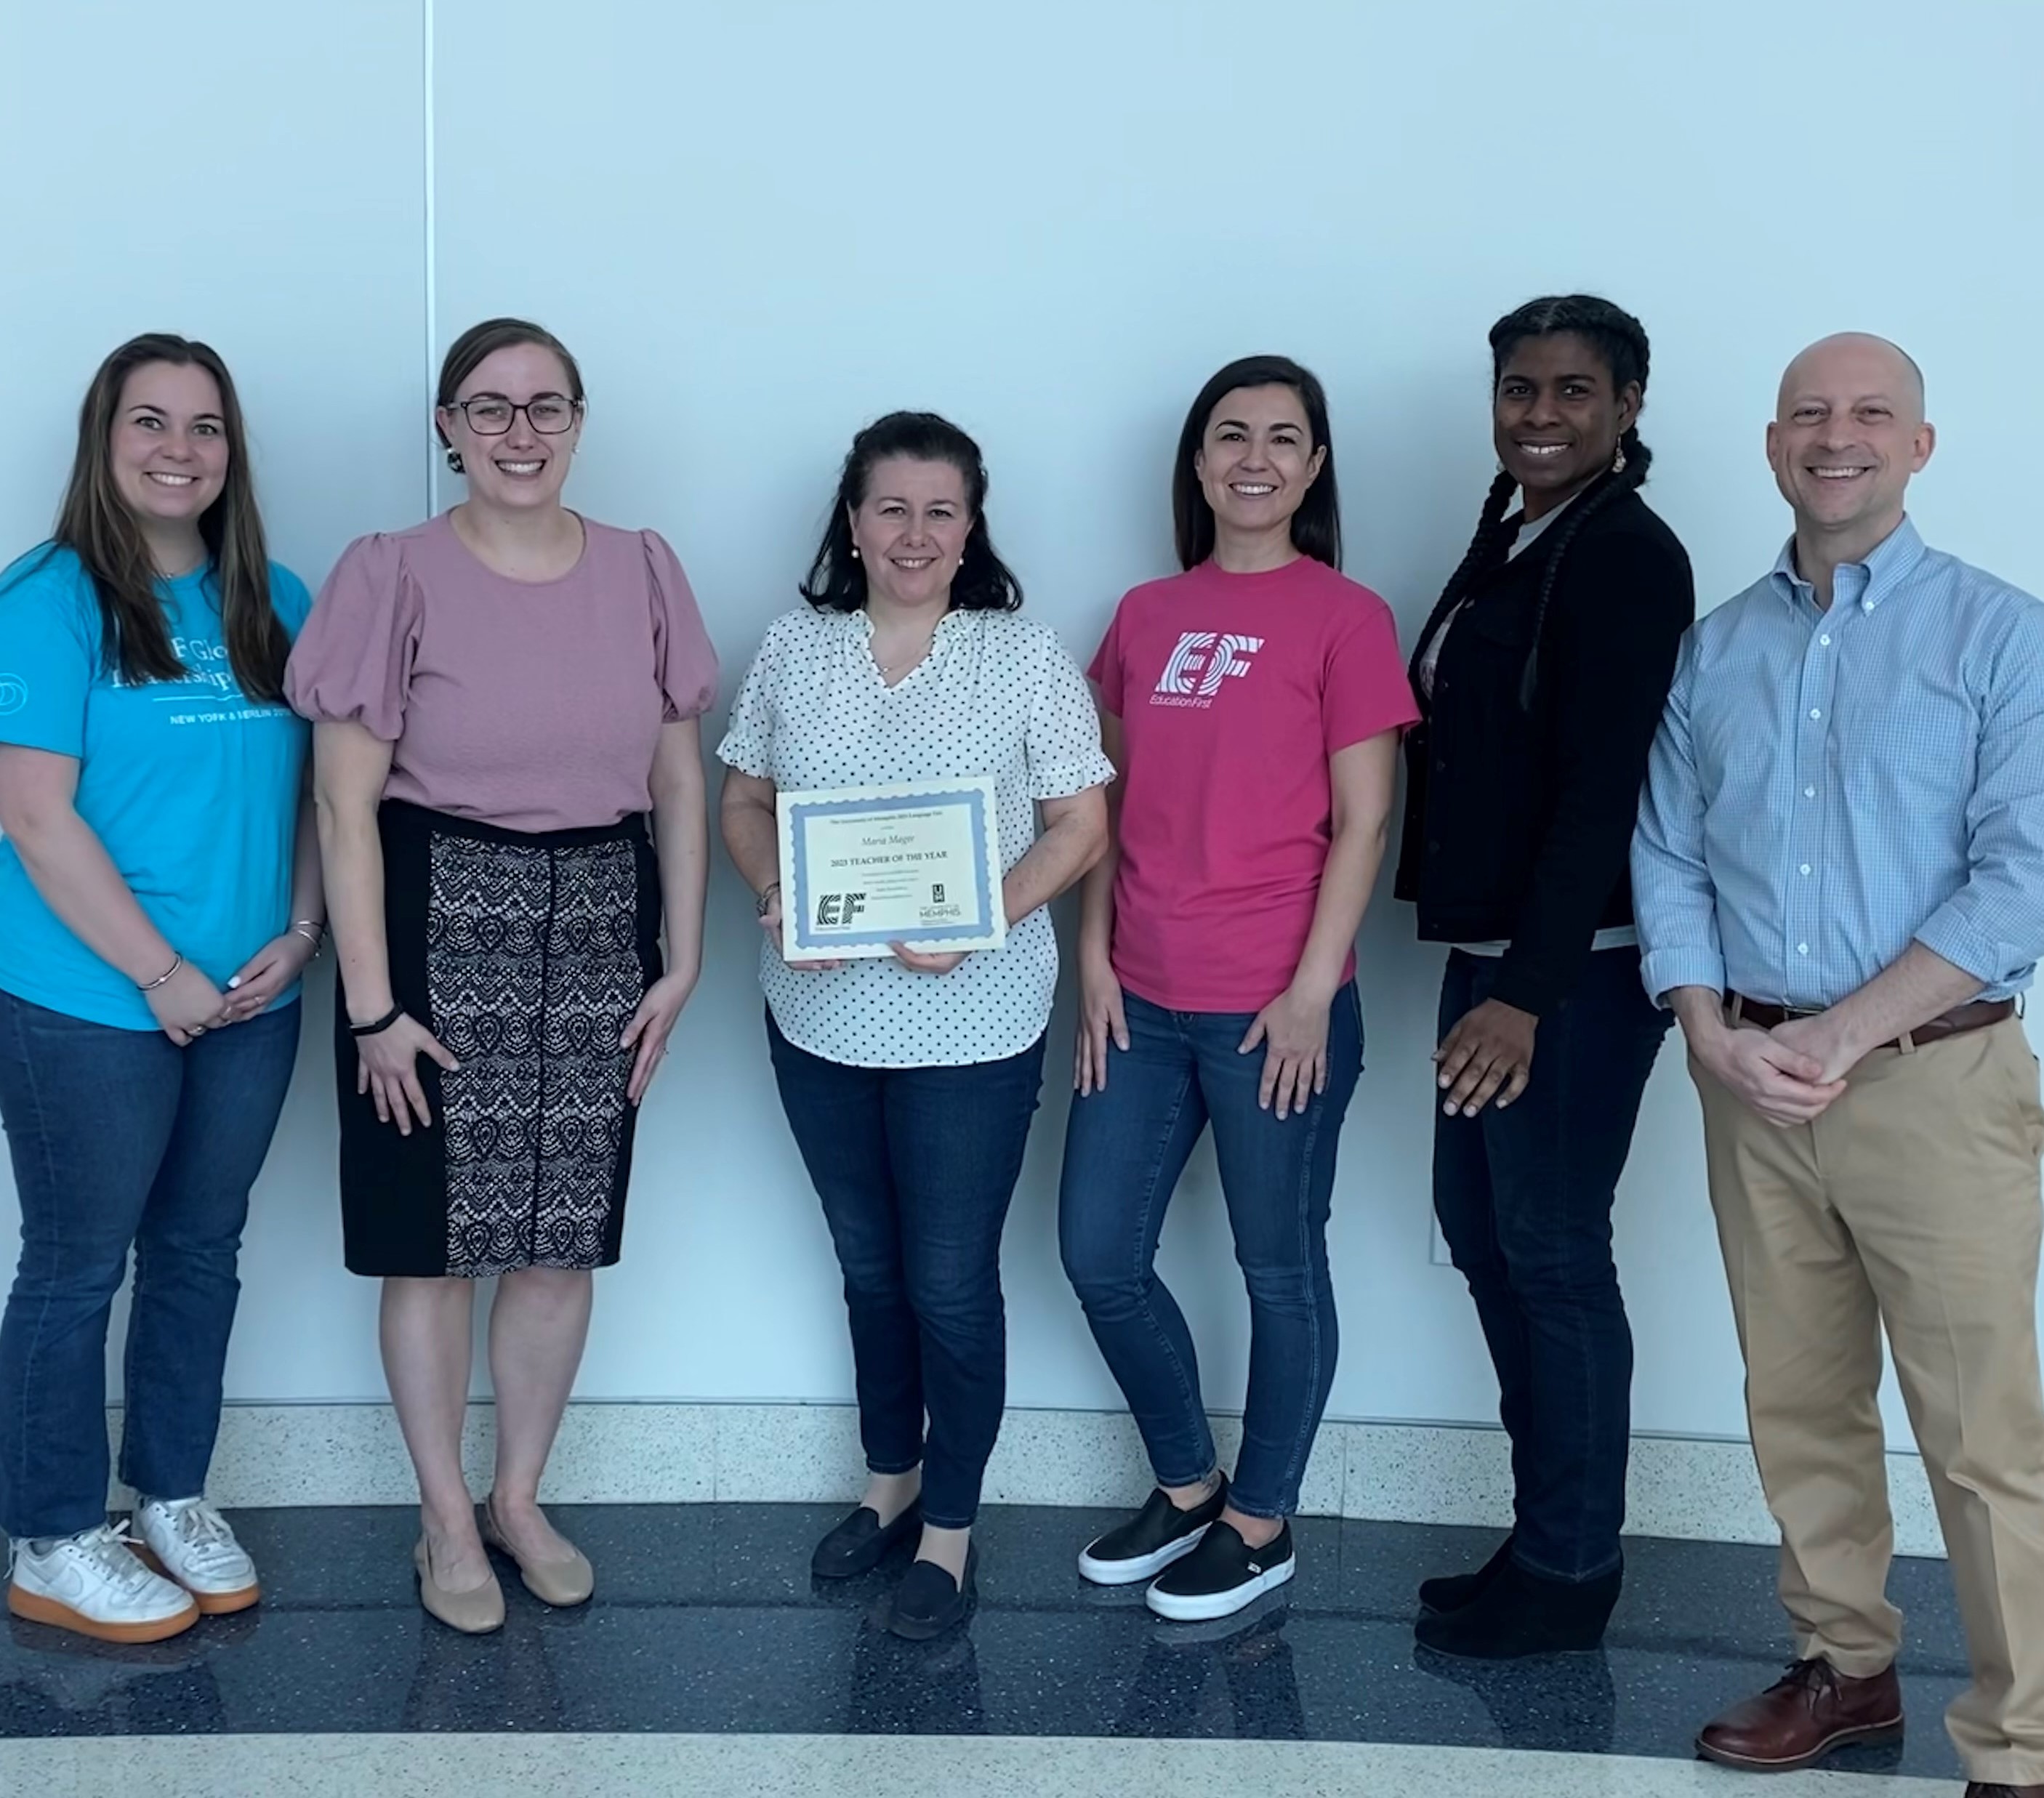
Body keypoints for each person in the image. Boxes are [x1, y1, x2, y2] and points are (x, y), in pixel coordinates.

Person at [1634, 333, 2044, 1797]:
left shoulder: (2000, 633)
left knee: (1980, 1430)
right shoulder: (1720, 646)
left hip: (1934, 1081)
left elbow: (2019, 877)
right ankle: (1845, 1666)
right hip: (1748, 1083)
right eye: (1809, 412)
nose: (1837, 434)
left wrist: (1838, 1030)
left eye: (1871, 412)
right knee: (1795, 1397)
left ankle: (2019, 1740)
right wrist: (1701, 1027)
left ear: (1919, 446)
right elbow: (1666, 849)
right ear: (1768, 443)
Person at [287, 318, 717, 1634]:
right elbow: (345, 806)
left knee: (558, 1239)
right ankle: (442, 1518)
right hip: (433, 914)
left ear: (581, 420)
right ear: (447, 427)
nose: (519, 432)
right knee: (433, 1246)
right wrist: (370, 1006)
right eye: (489, 408)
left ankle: (518, 1497)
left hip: (600, 917)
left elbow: (675, 780)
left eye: (545, 407)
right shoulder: (392, 571)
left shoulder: (645, 567)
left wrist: (683, 955)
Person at [718, 410, 1110, 1640]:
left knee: (947, 1281)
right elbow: (743, 798)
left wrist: (986, 913)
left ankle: (950, 1524)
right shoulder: (796, 645)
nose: (916, 533)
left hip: (975, 1024)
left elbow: (1082, 826)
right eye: (892, 507)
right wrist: (770, 889)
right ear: (852, 518)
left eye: (943, 510)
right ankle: (888, 1480)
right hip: (818, 1015)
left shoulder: (1020, 653)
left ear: (971, 526)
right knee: (869, 1265)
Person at [1060, 355, 1415, 1623]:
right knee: (1098, 1251)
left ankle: (1263, 1521)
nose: (1253, 457)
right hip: (1141, 1001)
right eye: (1229, 435)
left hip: (1278, 1008)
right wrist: (1090, 956)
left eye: (1282, 437)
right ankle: (1191, 1485)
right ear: (1198, 462)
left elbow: (1366, 823)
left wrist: (1316, 987)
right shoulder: (1145, 614)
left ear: (1314, 467)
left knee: (1278, 1265)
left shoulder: (1346, 615)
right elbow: (1098, 808)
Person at [0, 334, 320, 1642]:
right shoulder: (49, 596)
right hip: (89, 1004)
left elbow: (321, 787)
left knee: (200, 1253)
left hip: (253, 1000)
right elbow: (31, 814)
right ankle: (51, 1534)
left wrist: (302, 930)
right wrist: (161, 972)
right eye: (150, 422)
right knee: (77, 1270)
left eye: (204, 427)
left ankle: (170, 1495)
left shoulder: (276, 594)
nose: (178, 450)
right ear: (103, 439)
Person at [1396, 296, 1694, 1657]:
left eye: (1575, 390)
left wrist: (1525, 988)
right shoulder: (1518, 534)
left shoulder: (1626, 554)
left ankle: (1572, 1569)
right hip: (1495, 959)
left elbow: (1601, 790)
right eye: (1521, 388)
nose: (1541, 414)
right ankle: (1543, 1534)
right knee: (1484, 1231)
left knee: (1556, 1254)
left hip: (1568, 976)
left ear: (1628, 404)